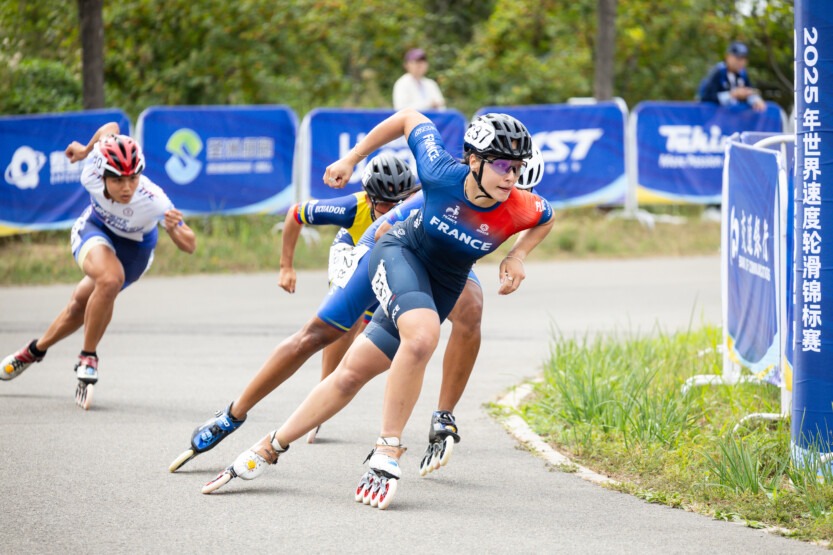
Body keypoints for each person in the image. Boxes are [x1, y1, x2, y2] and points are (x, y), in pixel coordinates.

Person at [201, 110, 554, 511]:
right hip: (397, 249)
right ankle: (387, 449)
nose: (511, 176)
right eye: (503, 165)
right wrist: (352, 158)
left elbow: (547, 218)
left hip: (439, 284)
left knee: (352, 374)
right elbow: (408, 117)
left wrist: (518, 254)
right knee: (419, 338)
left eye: (518, 167)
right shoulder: (440, 169)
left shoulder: (524, 205)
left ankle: (268, 447)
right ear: (474, 160)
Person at [169, 153, 485, 471]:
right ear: (370, 198)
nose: (391, 209)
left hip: (416, 256)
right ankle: (233, 414)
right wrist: (285, 267)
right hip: (362, 253)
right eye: (384, 204)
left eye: (398, 202)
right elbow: (295, 214)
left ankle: (443, 416)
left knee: (471, 310)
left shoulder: (431, 196)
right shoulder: (353, 206)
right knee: (329, 330)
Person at [0, 122, 196, 409]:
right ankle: (88, 357)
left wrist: (175, 230)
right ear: (102, 175)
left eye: (133, 178)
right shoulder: (90, 170)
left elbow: (190, 244)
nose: (127, 187)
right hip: (95, 229)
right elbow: (111, 127)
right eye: (117, 180)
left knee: (79, 306)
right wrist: (84, 150)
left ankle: (33, 351)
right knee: (109, 279)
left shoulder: (154, 200)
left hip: (135, 250)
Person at [697, 41, 766, 112]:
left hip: (733, 118)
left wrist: (755, 99)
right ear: (728, 57)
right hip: (712, 117)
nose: (741, 62)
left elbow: (751, 90)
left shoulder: (742, 74)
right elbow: (705, 97)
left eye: (743, 59)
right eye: (737, 58)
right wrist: (732, 95)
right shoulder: (718, 72)